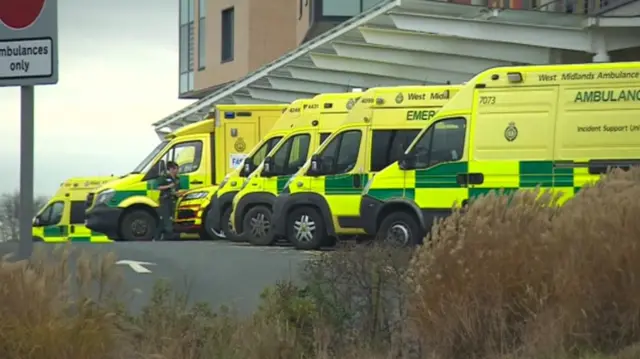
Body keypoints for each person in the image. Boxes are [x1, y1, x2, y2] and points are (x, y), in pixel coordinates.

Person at [154, 161, 180, 241]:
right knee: (165, 218)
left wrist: (178, 193)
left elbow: (177, 189)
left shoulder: (177, 179)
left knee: (170, 218)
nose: (177, 171)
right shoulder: (164, 177)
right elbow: (158, 187)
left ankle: (158, 236)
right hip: (165, 200)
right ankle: (167, 235)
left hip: (173, 200)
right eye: (176, 169)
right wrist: (169, 186)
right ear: (171, 169)